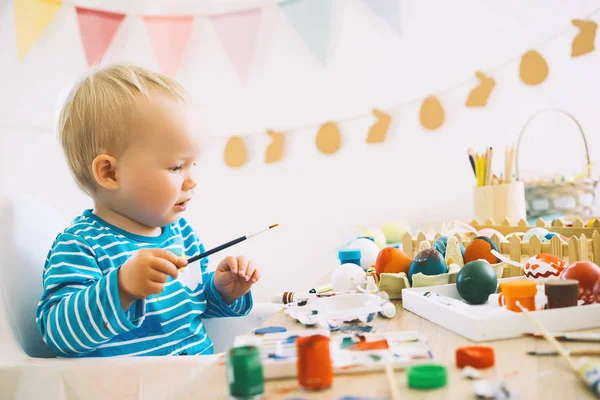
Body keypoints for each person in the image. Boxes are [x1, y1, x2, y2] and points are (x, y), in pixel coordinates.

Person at [36, 64, 260, 357]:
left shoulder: (181, 233)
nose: (192, 180)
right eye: (176, 167)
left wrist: (222, 291)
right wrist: (122, 288)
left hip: (197, 382)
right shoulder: (80, 245)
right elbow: (58, 334)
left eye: (194, 165)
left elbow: (196, 307)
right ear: (110, 173)